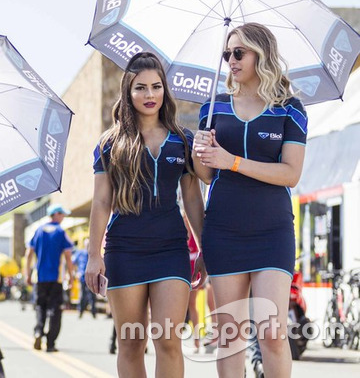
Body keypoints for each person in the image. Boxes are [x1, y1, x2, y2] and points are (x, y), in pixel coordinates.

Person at [193, 23, 306, 377]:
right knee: (231, 336)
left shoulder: (290, 108)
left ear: (262, 53)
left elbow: (290, 174)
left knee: (272, 332)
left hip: (272, 231)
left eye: (238, 53)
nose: (231, 60)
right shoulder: (214, 107)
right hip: (223, 229)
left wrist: (233, 162)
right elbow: (207, 175)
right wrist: (200, 154)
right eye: (227, 54)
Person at [85, 51, 205, 378]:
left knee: (168, 341)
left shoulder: (183, 141)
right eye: (140, 88)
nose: (149, 95)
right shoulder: (110, 144)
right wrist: (94, 256)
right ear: (128, 91)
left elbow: (192, 199)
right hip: (124, 251)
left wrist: (204, 247)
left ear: (165, 90)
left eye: (155, 87)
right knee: (131, 343)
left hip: (171, 250)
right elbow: (100, 203)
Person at [23, 204, 76, 353]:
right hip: (56, 277)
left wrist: (27, 273)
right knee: (55, 309)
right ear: (56, 214)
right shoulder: (60, 232)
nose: (63, 217)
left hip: (39, 277)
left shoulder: (38, 231)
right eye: (62, 214)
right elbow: (68, 256)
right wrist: (71, 277)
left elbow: (28, 254)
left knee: (40, 306)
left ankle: (38, 331)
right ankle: (50, 343)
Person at [72, 238, 96, 319]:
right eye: (86, 244)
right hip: (82, 277)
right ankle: (80, 312)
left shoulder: (93, 253)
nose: (87, 246)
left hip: (92, 278)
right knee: (82, 295)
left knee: (92, 296)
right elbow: (73, 262)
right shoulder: (80, 253)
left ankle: (93, 313)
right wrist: (75, 273)